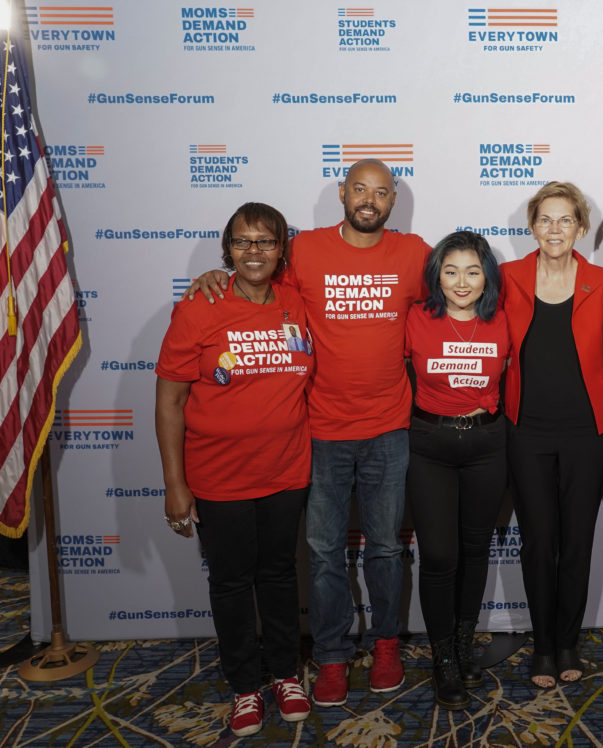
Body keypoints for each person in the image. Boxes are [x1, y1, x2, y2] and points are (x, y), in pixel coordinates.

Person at [188, 159, 431, 706]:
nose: (370, 200)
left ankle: (386, 643)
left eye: (382, 192)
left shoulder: (414, 254)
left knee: (387, 548)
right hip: (319, 431)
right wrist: (215, 276)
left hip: (390, 428)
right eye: (360, 189)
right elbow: (256, 283)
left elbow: (451, 303)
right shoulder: (306, 251)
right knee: (322, 554)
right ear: (343, 193)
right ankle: (331, 656)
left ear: (393, 201)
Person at [156, 202, 313, 737]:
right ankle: (246, 685)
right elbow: (170, 401)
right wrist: (175, 484)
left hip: (287, 471)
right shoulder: (200, 306)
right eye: (243, 242)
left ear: (281, 250)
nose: (254, 252)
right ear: (228, 250)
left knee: (277, 574)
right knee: (229, 582)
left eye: (266, 242)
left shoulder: (295, 300)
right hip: (219, 477)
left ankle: (285, 674)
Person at [501, 181, 603, 688]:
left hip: (588, 432)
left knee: (577, 543)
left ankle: (567, 641)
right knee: (537, 541)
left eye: (565, 220)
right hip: (525, 432)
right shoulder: (505, 278)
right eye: (545, 219)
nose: (554, 229)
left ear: (581, 228)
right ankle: (543, 646)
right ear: (532, 227)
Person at [405, 231, 510, 709]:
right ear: (436, 276)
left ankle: (464, 647)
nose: (462, 282)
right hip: (430, 443)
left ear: (486, 274)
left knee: (474, 550)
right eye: (451, 271)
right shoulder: (416, 319)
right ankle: (443, 658)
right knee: (441, 556)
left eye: (472, 270)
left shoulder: (502, 321)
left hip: (488, 442)